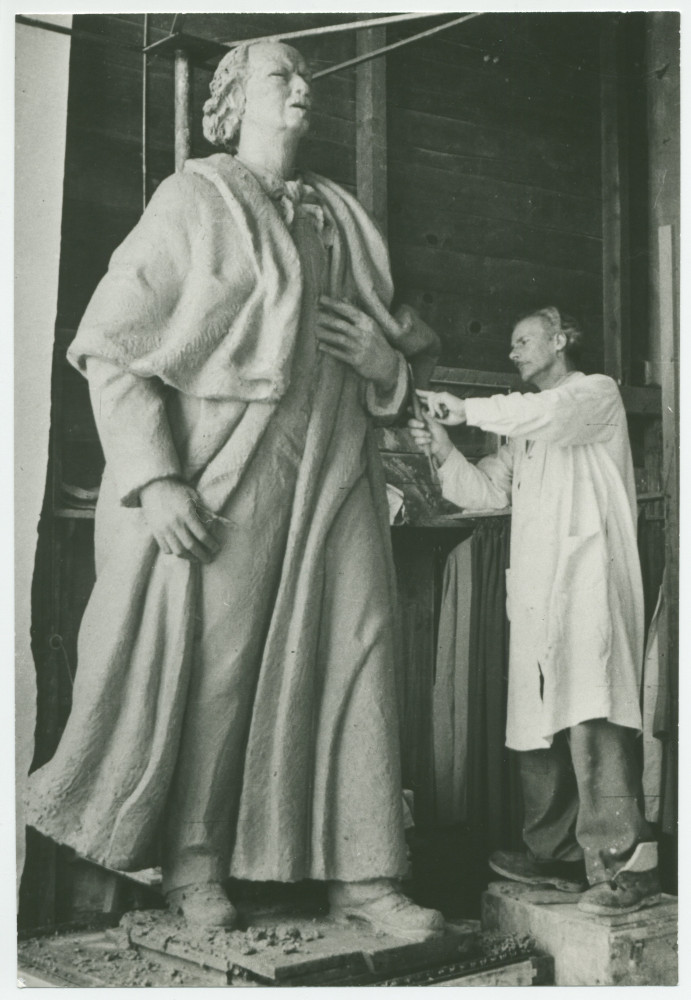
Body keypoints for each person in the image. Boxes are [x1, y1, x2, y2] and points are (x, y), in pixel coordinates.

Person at [26, 40, 445, 940]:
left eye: (306, 78)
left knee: (359, 658)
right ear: (232, 100)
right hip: (236, 475)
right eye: (280, 77)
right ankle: (194, 867)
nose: (302, 90)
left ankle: (366, 875)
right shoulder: (194, 201)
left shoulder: (340, 215)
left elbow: (405, 344)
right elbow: (110, 348)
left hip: (338, 474)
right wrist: (156, 477)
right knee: (218, 672)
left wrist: (388, 373)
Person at [408, 307, 660, 915]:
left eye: (523, 340)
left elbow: (548, 416)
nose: (514, 352)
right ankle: (555, 856)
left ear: (562, 339)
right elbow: (490, 492)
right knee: (537, 725)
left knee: (591, 712)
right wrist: (445, 451)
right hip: (540, 592)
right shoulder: (521, 428)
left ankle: (625, 865)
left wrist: (463, 409)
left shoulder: (592, 396)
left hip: (588, 581)